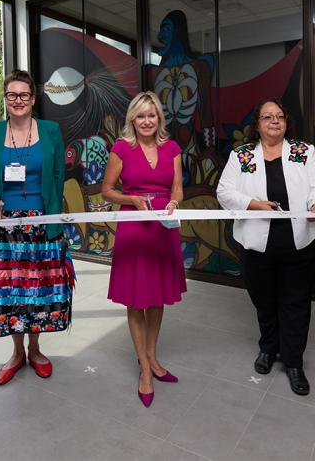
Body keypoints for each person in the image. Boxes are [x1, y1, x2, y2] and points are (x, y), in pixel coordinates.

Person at [216, 99, 315, 396]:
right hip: (256, 244)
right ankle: (268, 349)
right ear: (257, 124)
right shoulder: (241, 156)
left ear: (286, 122)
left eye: (280, 116)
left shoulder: (304, 152)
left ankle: (294, 362)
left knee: (296, 303)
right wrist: (253, 204)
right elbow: (224, 192)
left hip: (300, 241)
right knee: (264, 301)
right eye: (267, 117)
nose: (274, 121)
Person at [0, 69, 74, 386]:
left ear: (33, 98)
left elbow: (58, 176)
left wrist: (52, 219)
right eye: (12, 95)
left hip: (42, 225)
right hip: (2, 227)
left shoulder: (50, 130)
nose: (18, 100)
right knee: (8, 292)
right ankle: (17, 352)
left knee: (38, 292)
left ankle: (36, 349)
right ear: (5, 98)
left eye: (24, 95)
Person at [101, 91, 186, 408]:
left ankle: (152, 358)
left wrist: (175, 201)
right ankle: (144, 369)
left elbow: (177, 187)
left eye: (152, 115)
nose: (147, 121)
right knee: (137, 298)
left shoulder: (172, 148)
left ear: (159, 118)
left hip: (163, 227)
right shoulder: (122, 149)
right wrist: (132, 200)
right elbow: (107, 191)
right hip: (134, 228)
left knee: (157, 296)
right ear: (132, 120)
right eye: (140, 116)